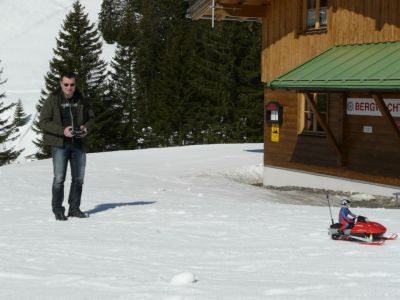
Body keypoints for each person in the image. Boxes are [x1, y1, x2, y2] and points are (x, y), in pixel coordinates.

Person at [39, 71, 94, 221]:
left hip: (78, 144)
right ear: (61, 84)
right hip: (60, 145)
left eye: (72, 85)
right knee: (59, 178)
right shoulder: (53, 99)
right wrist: (62, 131)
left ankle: (74, 209)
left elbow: (91, 119)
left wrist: (85, 129)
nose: (69, 87)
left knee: (78, 179)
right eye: (66, 85)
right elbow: (43, 121)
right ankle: (58, 210)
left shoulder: (81, 99)